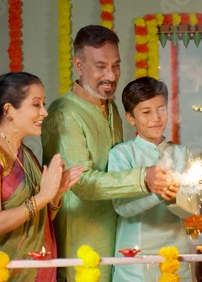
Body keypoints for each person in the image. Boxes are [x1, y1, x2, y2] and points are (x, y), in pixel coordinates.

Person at [41, 25, 171, 282]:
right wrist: (143, 177)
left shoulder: (111, 109)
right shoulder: (64, 114)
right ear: (79, 65)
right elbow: (82, 183)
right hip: (81, 243)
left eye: (116, 66)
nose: (111, 76)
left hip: (117, 238)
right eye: (100, 67)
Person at [0, 72, 83, 281]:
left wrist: (56, 195)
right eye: (36, 105)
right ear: (9, 110)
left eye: (43, 104)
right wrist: (43, 197)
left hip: (30, 267)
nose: (44, 112)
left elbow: (37, 220)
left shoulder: (25, 153)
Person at [108, 76, 194, 281]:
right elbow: (122, 208)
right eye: (146, 112)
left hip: (176, 255)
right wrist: (158, 194)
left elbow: (194, 209)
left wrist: (175, 199)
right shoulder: (122, 154)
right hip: (134, 261)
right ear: (131, 118)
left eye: (161, 109)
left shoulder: (182, 154)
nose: (156, 118)